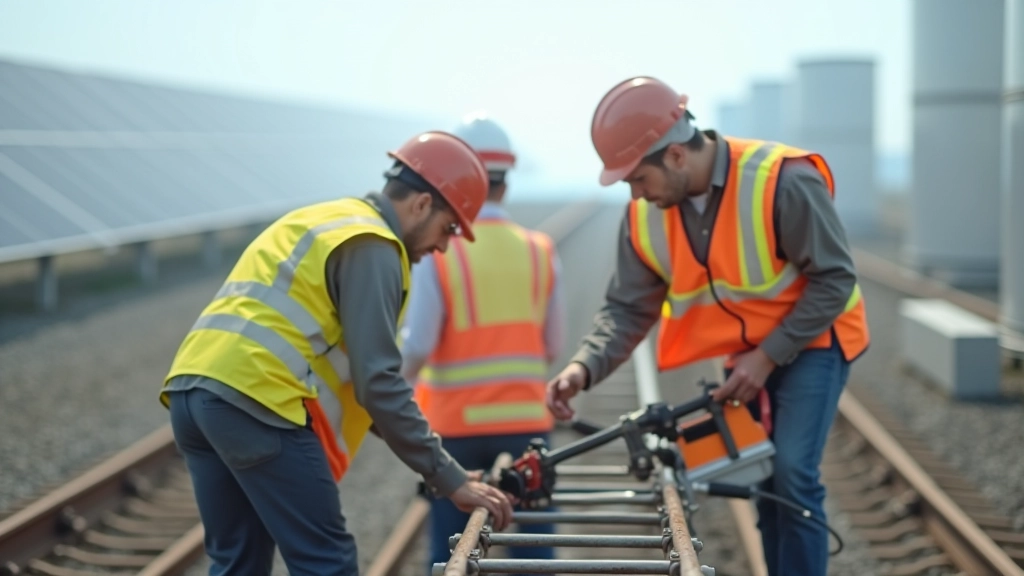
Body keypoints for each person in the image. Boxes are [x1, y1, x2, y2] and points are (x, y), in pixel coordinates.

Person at [545, 76, 870, 576]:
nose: (634, 194)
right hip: (744, 356)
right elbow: (628, 309)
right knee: (762, 478)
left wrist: (767, 356)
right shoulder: (645, 217)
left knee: (793, 474)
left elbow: (835, 279)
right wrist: (581, 367)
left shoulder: (782, 180)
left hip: (812, 342)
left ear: (675, 155)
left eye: (637, 178)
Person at [159, 131, 516, 576]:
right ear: (422, 204)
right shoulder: (375, 245)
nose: (442, 247)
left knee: (238, 563)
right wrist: (449, 478)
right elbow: (379, 383)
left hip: (194, 393)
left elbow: (366, 385)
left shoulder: (326, 218)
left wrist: (444, 469)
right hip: (259, 400)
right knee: (327, 563)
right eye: (448, 228)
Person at [400, 113, 567, 574]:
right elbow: (553, 343)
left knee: (454, 553)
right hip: (525, 423)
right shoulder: (539, 249)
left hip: (453, 428)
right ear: (506, 183)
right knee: (533, 551)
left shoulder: (440, 250)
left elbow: (416, 347)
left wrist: (393, 394)